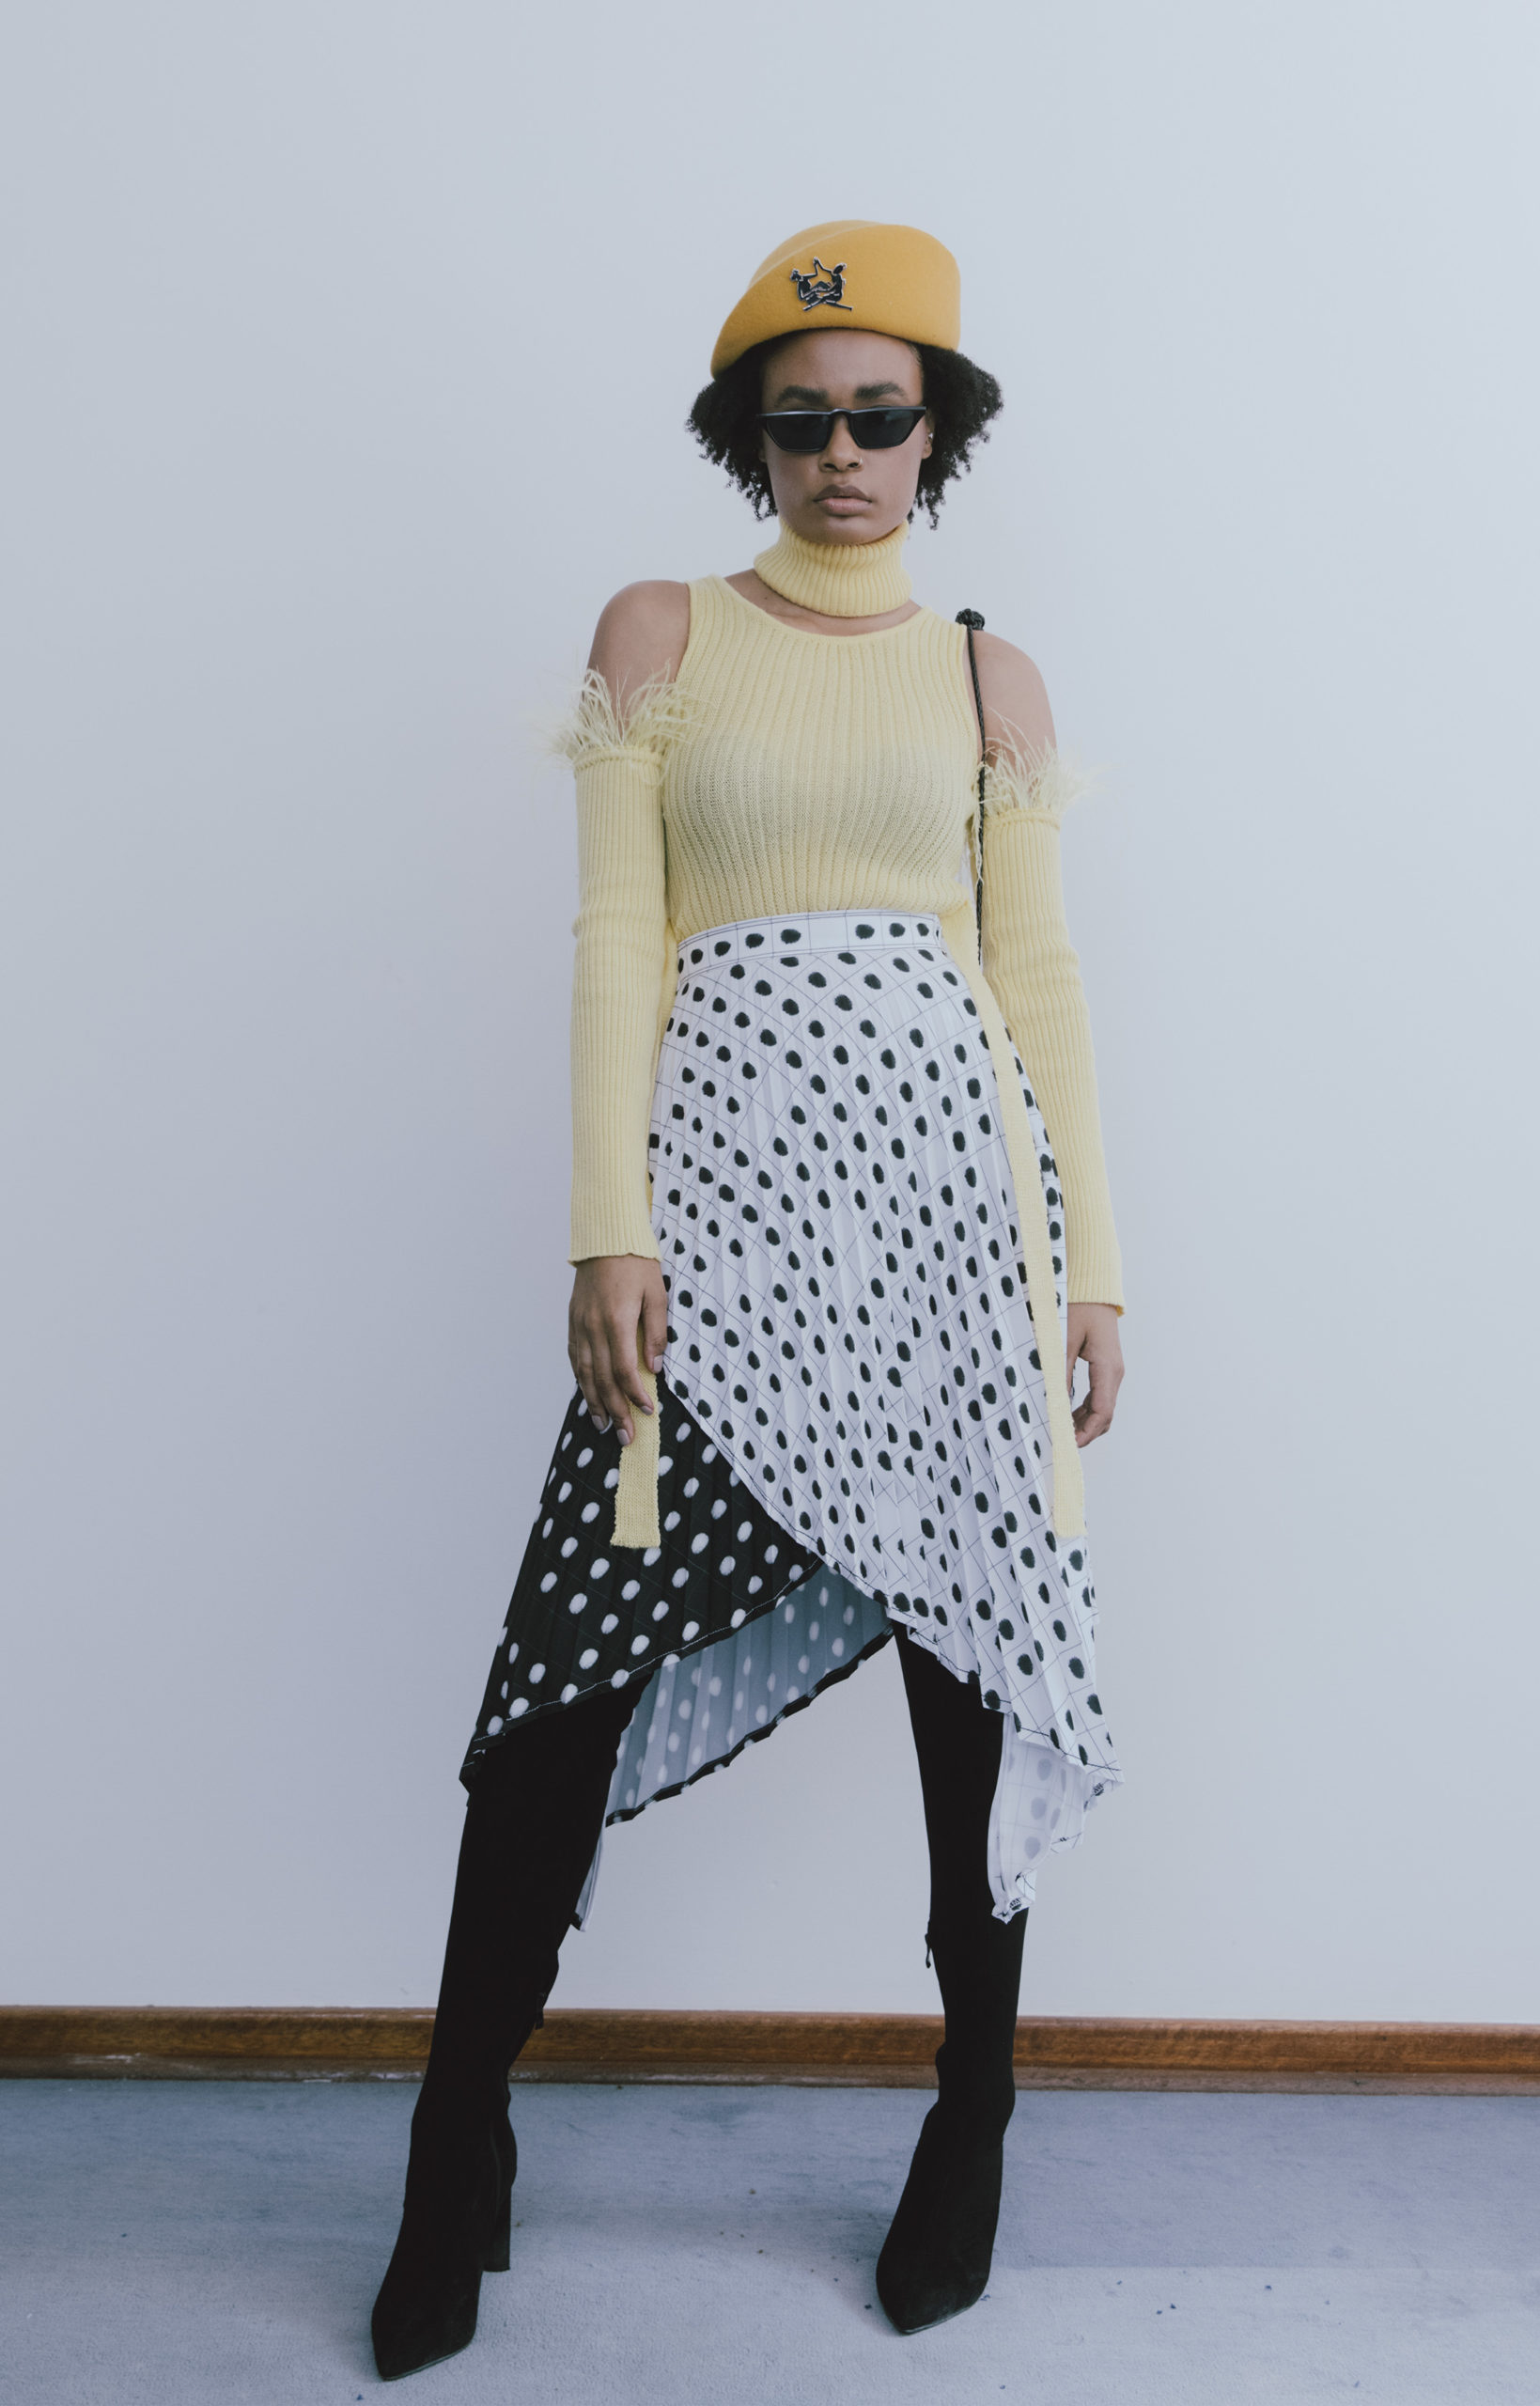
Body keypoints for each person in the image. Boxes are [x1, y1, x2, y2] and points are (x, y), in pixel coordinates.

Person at [370, 218, 1128, 2383]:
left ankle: (971, 2113)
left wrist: (1091, 1266)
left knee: (966, 1677)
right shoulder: (659, 631)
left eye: (882, 416)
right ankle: (453, 2137)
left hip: (953, 1240)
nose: (843, 454)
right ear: (752, 439)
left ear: (936, 430)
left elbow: (1034, 969)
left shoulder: (984, 675)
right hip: (716, 1235)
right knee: (555, 1689)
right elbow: (618, 935)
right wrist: (604, 1227)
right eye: (801, 424)